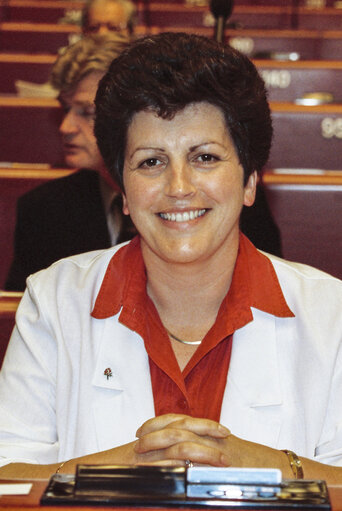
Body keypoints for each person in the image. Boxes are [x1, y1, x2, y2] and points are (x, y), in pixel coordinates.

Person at [2, 32, 341, 482]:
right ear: (123, 191)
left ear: (249, 182)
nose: (179, 187)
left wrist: (266, 466)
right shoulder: (53, 301)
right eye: (150, 162)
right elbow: (8, 477)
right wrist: (118, 468)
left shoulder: (331, 313)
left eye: (204, 157)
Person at [5, 34, 136, 291]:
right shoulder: (43, 210)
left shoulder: (182, 200)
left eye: (87, 113)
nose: (65, 127)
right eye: (66, 110)